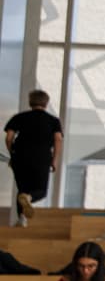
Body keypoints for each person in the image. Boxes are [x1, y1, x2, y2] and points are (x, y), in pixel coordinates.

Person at [5, 89, 62, 226]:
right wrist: (54, 160)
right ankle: (30, 198)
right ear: (46, 104)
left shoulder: (19, 117)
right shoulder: (53, 120)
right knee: (41, 191)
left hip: (20, 157)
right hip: (41, 157)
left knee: (22, 189)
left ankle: (22, 219)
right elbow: (58, 140)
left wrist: (13, 153)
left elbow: (9, 137)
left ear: (30, 102)